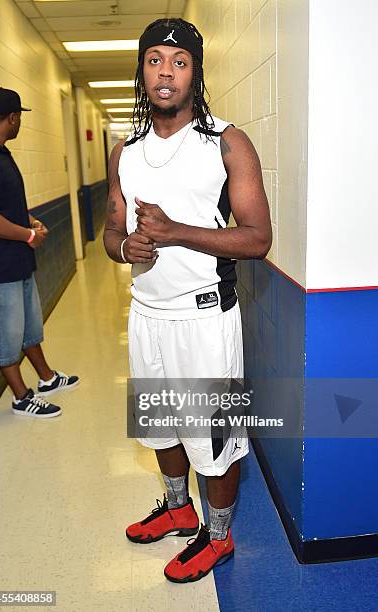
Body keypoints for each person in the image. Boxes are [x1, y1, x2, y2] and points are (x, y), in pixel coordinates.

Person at [104, 18, 272, 583]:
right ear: (142, 71)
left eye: (178, 61)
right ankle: (178, 508)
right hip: (146, 314)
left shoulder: (226, 141)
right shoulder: (124, 151)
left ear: (195, 72)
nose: (165, 72)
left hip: (205, 320)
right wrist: (127, 246)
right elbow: (109, 234)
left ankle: (218, 536)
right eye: (154, 60)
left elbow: (257, 237)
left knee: (216, 440)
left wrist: (177, 232)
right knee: (159, 426)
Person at [0, 88, 79, 418]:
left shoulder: (1, 152)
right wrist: (28, 235)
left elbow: (4, 203)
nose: (20, 122)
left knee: (27, 327)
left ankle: (47, 378)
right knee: (6, 336)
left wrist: (30, 220)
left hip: (17, 261)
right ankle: (21, 397)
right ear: (12, 118)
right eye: (20, 116)